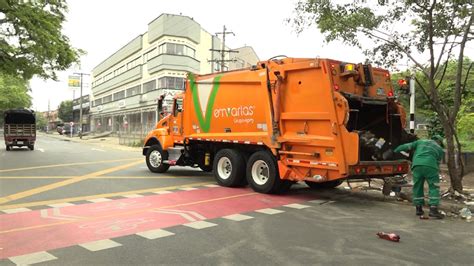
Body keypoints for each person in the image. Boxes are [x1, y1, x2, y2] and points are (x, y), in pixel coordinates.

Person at [394, 135, 445, 219]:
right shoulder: (439, 149)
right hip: (431, 167)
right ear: (439, 142)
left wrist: (395, 151)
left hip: (417, 165)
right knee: (434, 187)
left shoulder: (420, 142)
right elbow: (438, 163)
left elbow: (405, 146)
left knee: (417, 186)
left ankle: (418, 209)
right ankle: (433, 210)